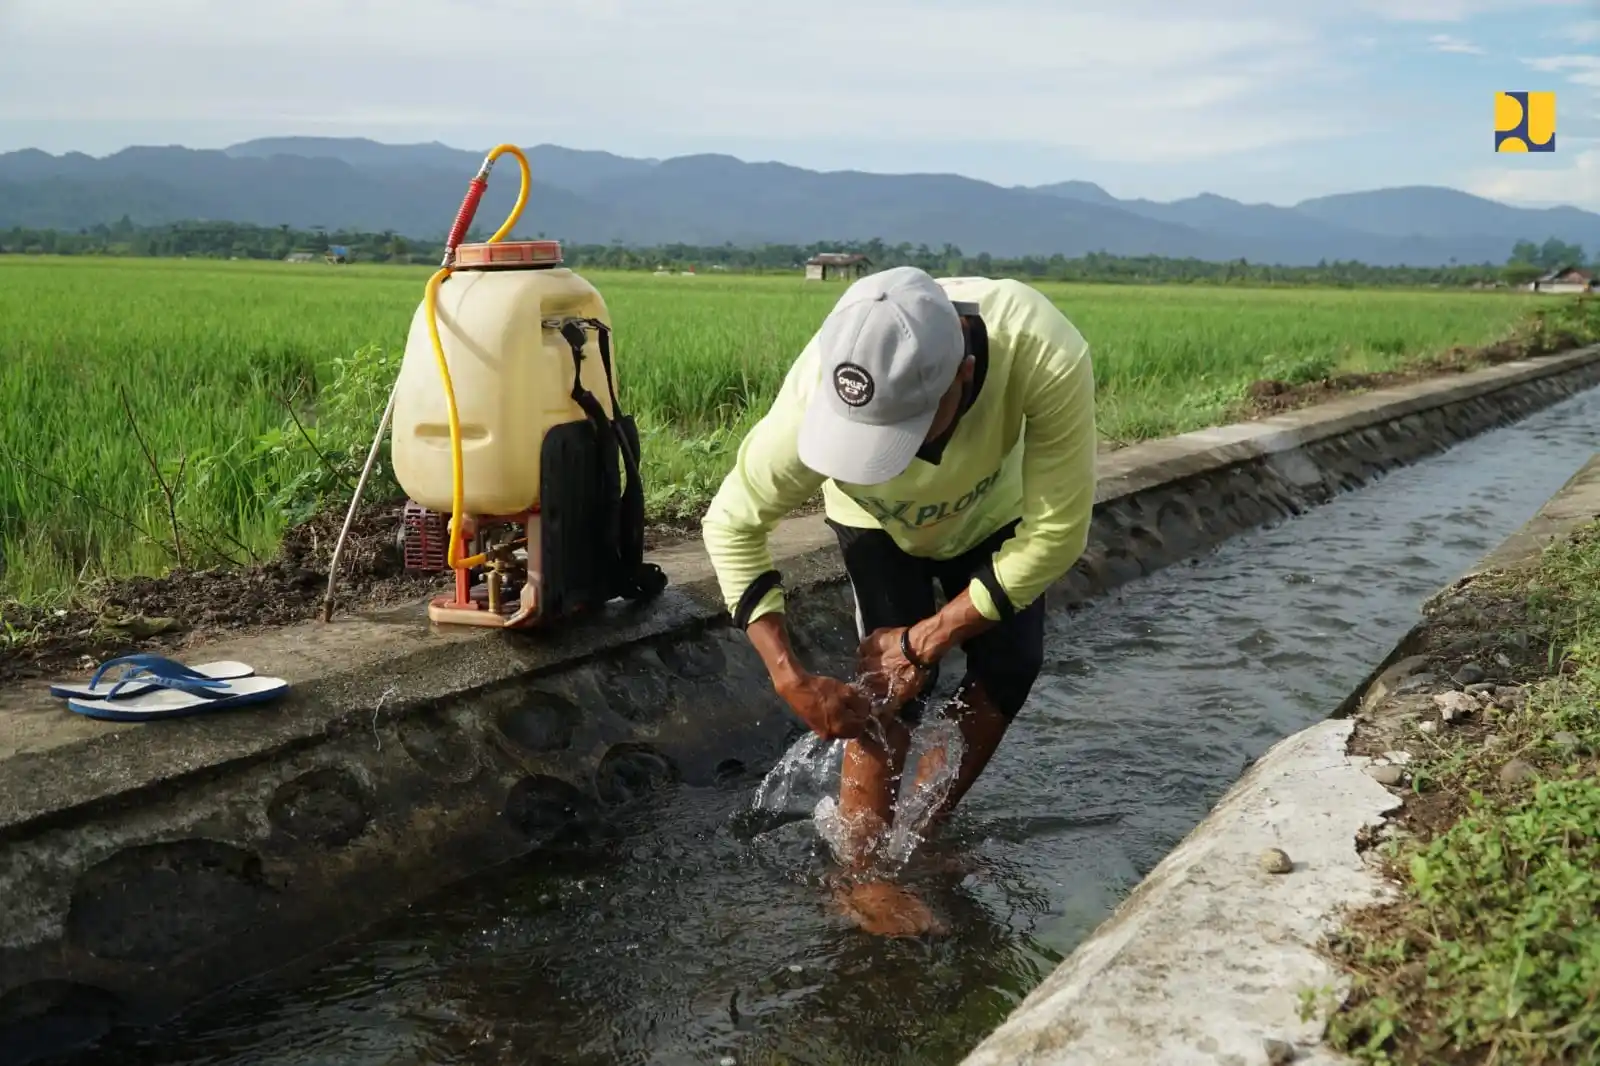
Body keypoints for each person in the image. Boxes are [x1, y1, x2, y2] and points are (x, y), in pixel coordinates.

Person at [700, 265, 1097, 934]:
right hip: (873, 523)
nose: (899, 459)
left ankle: (917, 839)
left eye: (909, 429)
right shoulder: (813, 397)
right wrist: (788, 676)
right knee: (893, 690)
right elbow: (731, 522)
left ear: (964, 376)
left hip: (996, 519)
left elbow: (1057, 533)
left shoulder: (1042, 349)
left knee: (1009, 667)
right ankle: (859, 874)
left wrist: (929, 636)